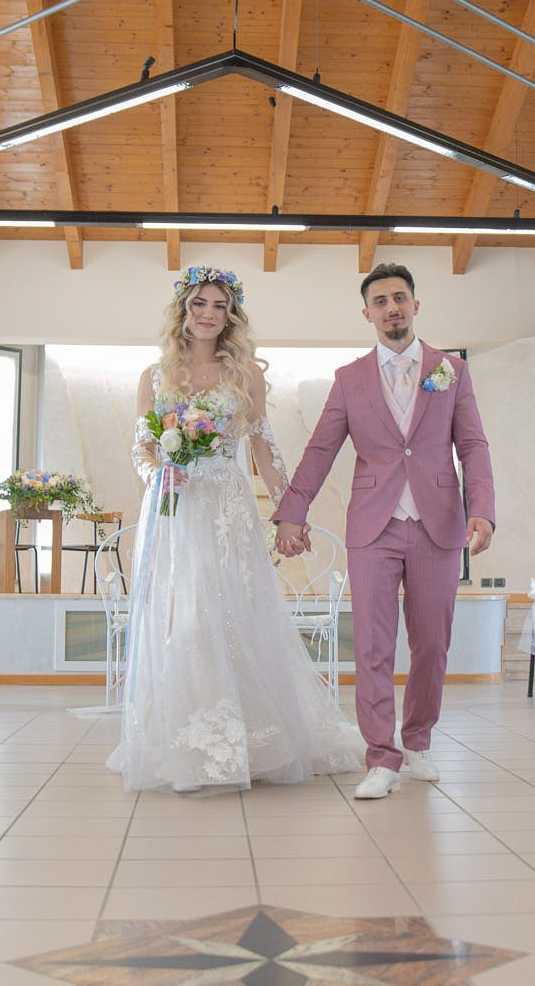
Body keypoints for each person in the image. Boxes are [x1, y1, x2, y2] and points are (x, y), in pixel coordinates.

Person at [110, 266, 363, 792]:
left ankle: (252, 738)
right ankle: (186, 738)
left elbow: (263, 447)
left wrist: (292, 506)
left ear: (232, 316)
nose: (208, 314)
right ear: (183, 308)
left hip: (227, 509)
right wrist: (158, 472)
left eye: (219, 306)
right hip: (175, 510)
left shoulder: (246, 375)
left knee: (233, 614)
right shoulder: (153, 377)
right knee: (185, 620)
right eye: (199, 303)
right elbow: (142, 444)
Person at [274, 263, 495, 800]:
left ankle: (417, 741)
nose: (392, 307)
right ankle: (381, 757)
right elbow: (321, 450)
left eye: (400, 298)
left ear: (416, 305)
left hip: (438, 524)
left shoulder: (451, 371)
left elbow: (473, 445)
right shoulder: (349, 379)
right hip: (372, 526)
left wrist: (482, 508)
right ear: (367, 312)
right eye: (381, 301)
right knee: (372, 645)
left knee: (432, 643)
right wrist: (291, 512)